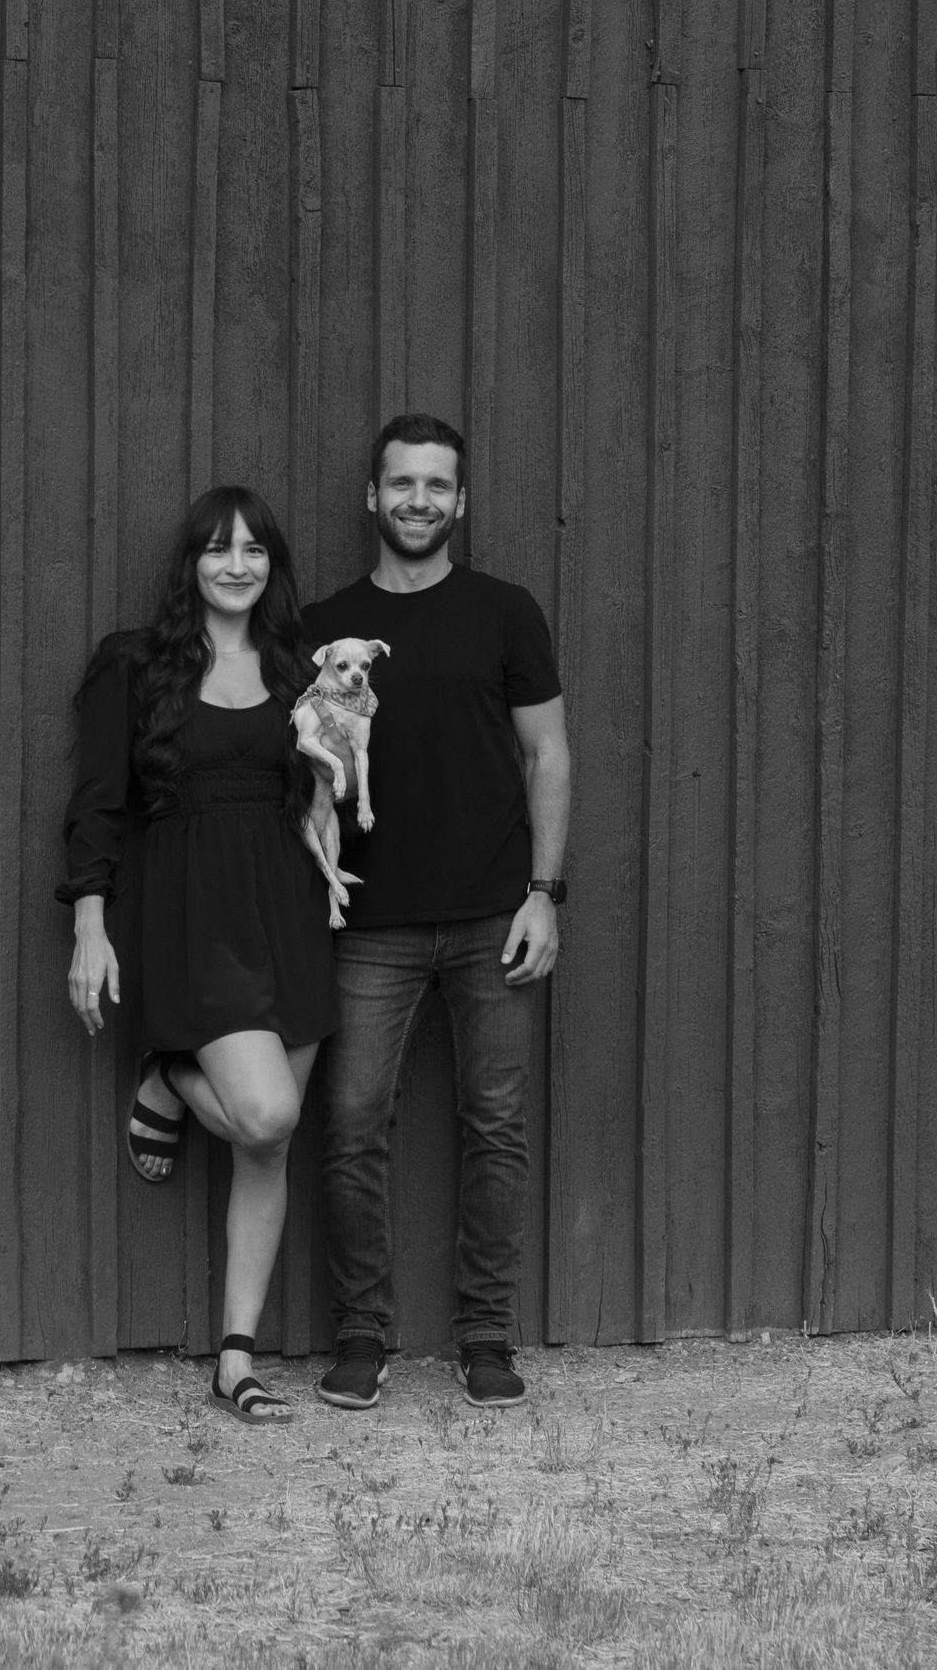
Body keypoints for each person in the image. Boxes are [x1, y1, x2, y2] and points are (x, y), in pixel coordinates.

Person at [304, 412, 571, 1412]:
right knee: (351, 1120)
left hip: (492, 914)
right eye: (401, 483)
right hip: (365, 922)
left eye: (436, 486)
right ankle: (363, 1333)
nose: (418, 500)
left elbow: (548, 755)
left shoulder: (505, 613)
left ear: (459, 502)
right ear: (372, 497)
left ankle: (485, 1335)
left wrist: (545, 894)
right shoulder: (322, 625)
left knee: (494, 1123)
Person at [59, 486, 337, 1425]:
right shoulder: (135, 666)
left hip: (287, 908)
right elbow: (98, 800)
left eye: (255, 550)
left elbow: (320, 793)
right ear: (192, 563)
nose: (237, 564)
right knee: (265, 1114)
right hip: (188, 913)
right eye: (219, 548)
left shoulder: (299, 668)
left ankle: (235, 1358)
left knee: (273, 1147)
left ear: (273, 566)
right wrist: (89, 922)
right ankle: (174, 1075)